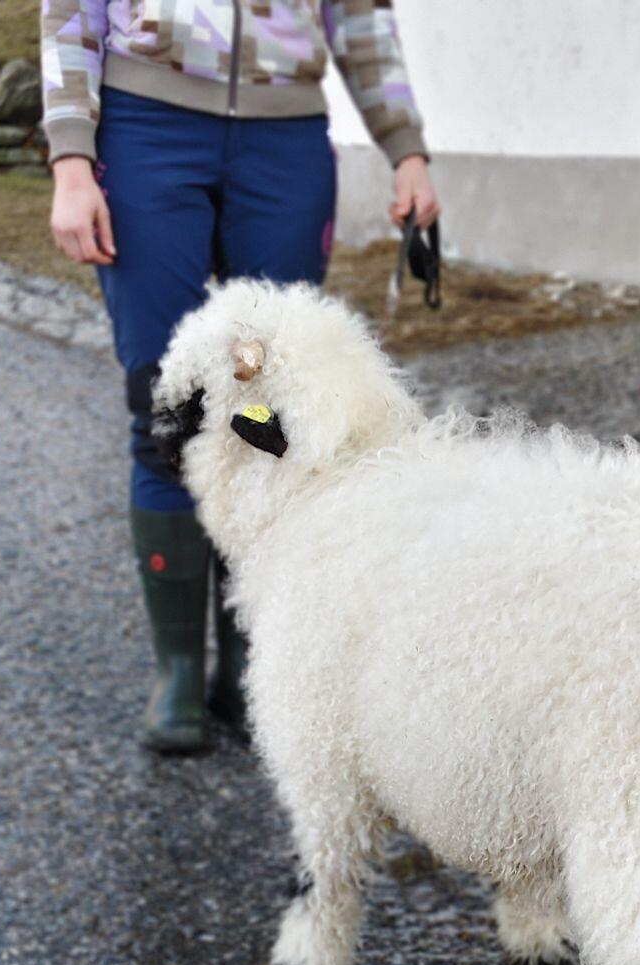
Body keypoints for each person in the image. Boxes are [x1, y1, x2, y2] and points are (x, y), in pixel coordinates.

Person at [40, 0, 439, 753]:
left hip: (283, 145)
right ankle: (179, 672)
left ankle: (249, 665)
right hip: (145, 128)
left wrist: (406, 147)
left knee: (268, 413)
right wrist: (70, 156)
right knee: (168, 407)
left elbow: (360, 15)